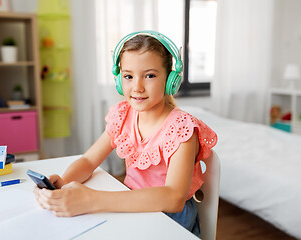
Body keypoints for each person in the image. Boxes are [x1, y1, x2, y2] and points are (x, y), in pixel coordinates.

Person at [34, 30, 217, 237]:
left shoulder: (182, 128)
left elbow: (173, 198)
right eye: (128, 76)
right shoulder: (123, 116)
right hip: (131, 206)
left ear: (169, 79)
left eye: (149, 75)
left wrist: (91, 200)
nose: (137, 87)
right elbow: (88, 160)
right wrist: (63, 181)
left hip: (169, 220)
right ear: (120, 81)